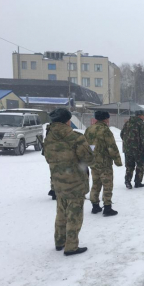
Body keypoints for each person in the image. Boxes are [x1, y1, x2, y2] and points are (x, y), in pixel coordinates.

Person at [43, 108, 94, 256]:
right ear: (67, 121)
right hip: (75, 183)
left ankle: (59, 241)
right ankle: (71, 246)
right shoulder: (76, 138)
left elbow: (48, 158)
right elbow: (88, 160)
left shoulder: (49, 137)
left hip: (58, 182)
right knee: (74, 215)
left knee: (61, 212)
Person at [84, 111, 123, 216]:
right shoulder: (105, 130)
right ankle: (107, 207)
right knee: (107, 185)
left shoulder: (89, 129)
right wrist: (118, 161)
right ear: (105, 119)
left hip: (93, 162)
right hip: (104, 163)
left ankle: (95, 206)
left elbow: (85, 145)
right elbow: (112, 147)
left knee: (96, 184)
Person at [120, 110, 144, 189]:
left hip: (127, 149)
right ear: (140, 116)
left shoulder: (127, 123)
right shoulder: (141, 124)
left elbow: (122, 134)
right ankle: (138, 182)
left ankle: (127, 181)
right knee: (140, 165)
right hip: (138, 149)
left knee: (129, 166)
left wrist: (127, 143)